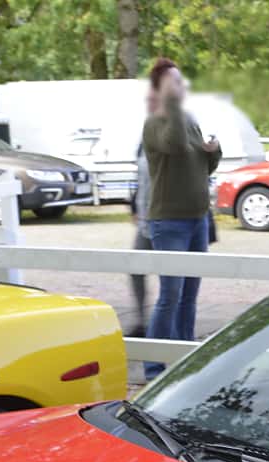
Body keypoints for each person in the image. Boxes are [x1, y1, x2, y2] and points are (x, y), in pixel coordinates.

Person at [141, 57, 220, 376]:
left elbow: (204, 167)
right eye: (173, 81)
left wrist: (214, 150)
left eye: (180, 80)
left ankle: (184, 359)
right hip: (169, 222)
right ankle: (153, 366)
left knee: (190, 295)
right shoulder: (156, 123)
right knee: (169, 296)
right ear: (160, 89)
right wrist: (171, 104)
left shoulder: (188, 119)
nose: (180, 85)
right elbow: (173, 146)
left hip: (198, 219)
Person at [127, 87, 158, 336]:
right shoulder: (144, 138)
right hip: (145, 220)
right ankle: (141, 320)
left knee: (173, 277)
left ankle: (167, 327)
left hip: (167, 219)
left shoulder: (173, 133)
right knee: (135, 268)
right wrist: (133, 204)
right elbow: (139, 177)